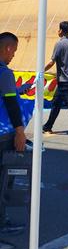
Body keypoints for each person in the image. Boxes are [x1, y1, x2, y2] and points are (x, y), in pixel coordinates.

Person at [0, 32, 26, 236]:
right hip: (3, 134)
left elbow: (9, 93)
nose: (14, 55)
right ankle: (2, 221)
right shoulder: (5, 73)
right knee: (4, 180)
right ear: (7, 48)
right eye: (14, 51)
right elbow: (10, 103)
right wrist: (20, 132)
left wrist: (22, 88)